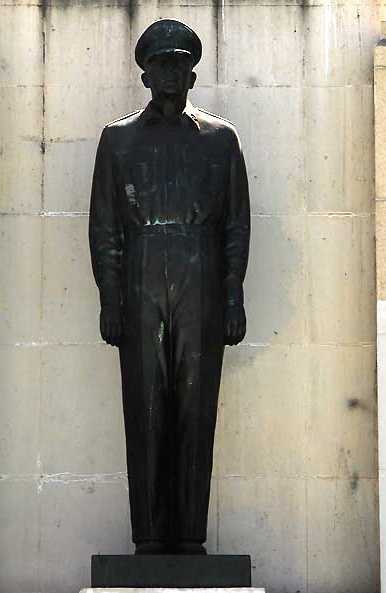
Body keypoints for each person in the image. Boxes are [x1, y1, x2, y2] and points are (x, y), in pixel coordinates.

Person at [89, 18, 250, 555]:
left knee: (195, 408)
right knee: (146, 406)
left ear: (192, 73)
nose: (171, 73)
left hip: (200, 275)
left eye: (180, 64)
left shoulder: (221, 140)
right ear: (145, 76)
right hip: (140, 278)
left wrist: (232, 295)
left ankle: (190, 537)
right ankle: (151, 538)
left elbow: (237, 226)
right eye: (161, 65)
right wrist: (109, 301)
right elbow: (104, 228)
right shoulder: (117, 140)